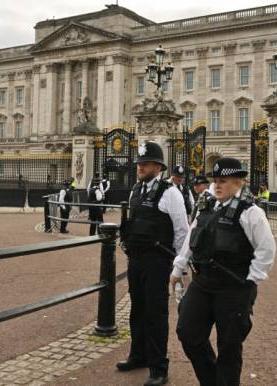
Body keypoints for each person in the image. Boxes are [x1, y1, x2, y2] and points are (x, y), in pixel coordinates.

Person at [172, 157, 276, 386]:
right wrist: (179, 267)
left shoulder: (251, 212)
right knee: (188, 332)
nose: (217, 185)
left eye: (224, 181)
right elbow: (191, 238)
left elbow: (266, 249)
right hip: (203, 282)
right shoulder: (206, 207)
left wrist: (251, 280)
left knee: (229, 346)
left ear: (239, 183)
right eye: (216, 180)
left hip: (234, 286)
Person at [116, 141, 189, 386]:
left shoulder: (170, 193)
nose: (140, 167)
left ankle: (159, 368)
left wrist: (178, 263)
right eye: (139, 163)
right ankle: (139, 355)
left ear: (158, 167)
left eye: (145, 164)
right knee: (137, 309)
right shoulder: (135, 190)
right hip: (136, 258)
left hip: (158, 260)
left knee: (155, 313)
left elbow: (181, 230)